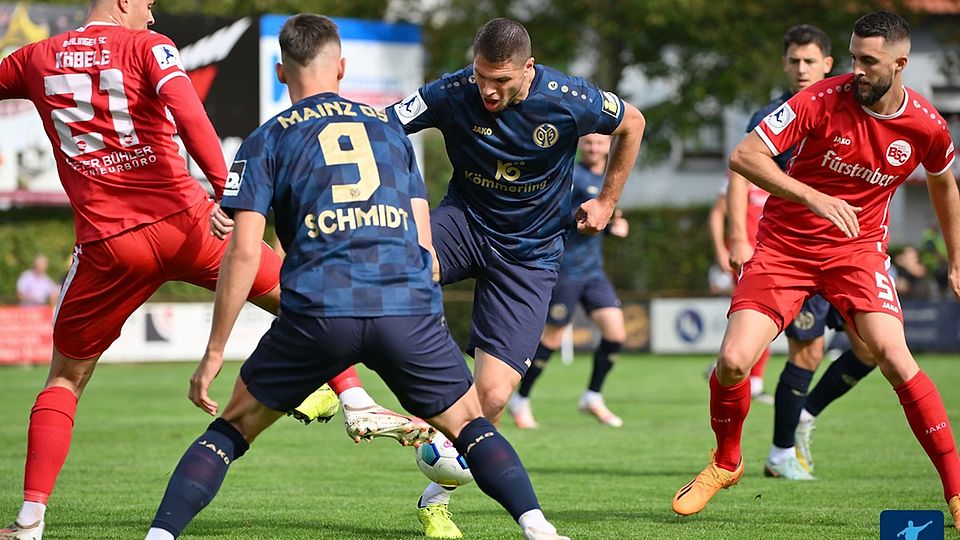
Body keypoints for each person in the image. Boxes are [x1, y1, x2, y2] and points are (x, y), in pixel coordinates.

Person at [0, 2, 419, 539]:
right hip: (190, 226)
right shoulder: (150, 47)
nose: (151, 17)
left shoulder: (36, 57)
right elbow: (189, 112)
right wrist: (230, 190)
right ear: (125, 1)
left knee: (63, 380)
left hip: (109, 246)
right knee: (303, 294)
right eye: (148, 5)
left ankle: (30, 522)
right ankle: (355, 397)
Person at [142, 15, 568, 540]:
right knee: (473, 425)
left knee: (231, 429)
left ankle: (159, 536)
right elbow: (423, 240)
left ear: (280, 72)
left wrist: (213, 353)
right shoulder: (388, 130)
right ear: (341, 67)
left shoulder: (268, 138)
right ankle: (538, 527)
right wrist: (422, 322)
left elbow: (244, 254)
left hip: (321, 311)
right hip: (404, 309)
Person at [673, 12, 960, 527]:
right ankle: (726, 461)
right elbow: (745, 155)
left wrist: (958, 260)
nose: (857, 70)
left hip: (857, 255)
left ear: (901, 64)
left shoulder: (926, 124)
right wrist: (812, 196)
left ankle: (957, 493)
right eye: (853, 57)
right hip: (784, 249)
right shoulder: (820, 98)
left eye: (868, 61)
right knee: (735, 361)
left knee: (893, 356)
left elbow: (944, 185)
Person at [391, 17, 645, 539]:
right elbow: (383, 124)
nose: (487, 90)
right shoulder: (452, 90)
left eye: (501, 81)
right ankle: (338, 382)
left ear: (528, 69)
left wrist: (607, 201)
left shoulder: (570, 98)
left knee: (494, 397)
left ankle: (436, 497)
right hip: (464, 222)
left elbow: (634, 123)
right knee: (396, 268)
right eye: (481, 76)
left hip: (528, 255)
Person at [726, 24, 881, 481]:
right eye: (793, 61)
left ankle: (805, 415)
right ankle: (779, 454)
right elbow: (741, 172)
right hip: (797, 249)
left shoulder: (855, 108)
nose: (800, 69)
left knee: (870, 350)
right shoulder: (772, 114)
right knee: (808, 353)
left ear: (829, 64)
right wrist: (739, 235)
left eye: (809, 61)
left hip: (850, 251)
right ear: (784, 64)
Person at [507, 133, 629, 430]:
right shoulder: (572, 175)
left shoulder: (610, 176)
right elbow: (560, 216)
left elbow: (609, 215)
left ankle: (592, 396)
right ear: (581, 146)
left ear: (608, 146)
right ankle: (520, 399)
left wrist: (617, 224)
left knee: (616, 333)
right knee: (551, 339)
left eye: (599, 143)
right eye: (588, 143)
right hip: (566, 269)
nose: (593, 147)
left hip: (593, 271)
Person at [709, 176, 773, 403]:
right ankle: (754, 382)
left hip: (774, 257)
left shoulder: (787, 168)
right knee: (759, 314)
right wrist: (721, 253)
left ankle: (727, 367)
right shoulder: (742, 171)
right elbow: (718, 214)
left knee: (763, 319)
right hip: (746, 258)